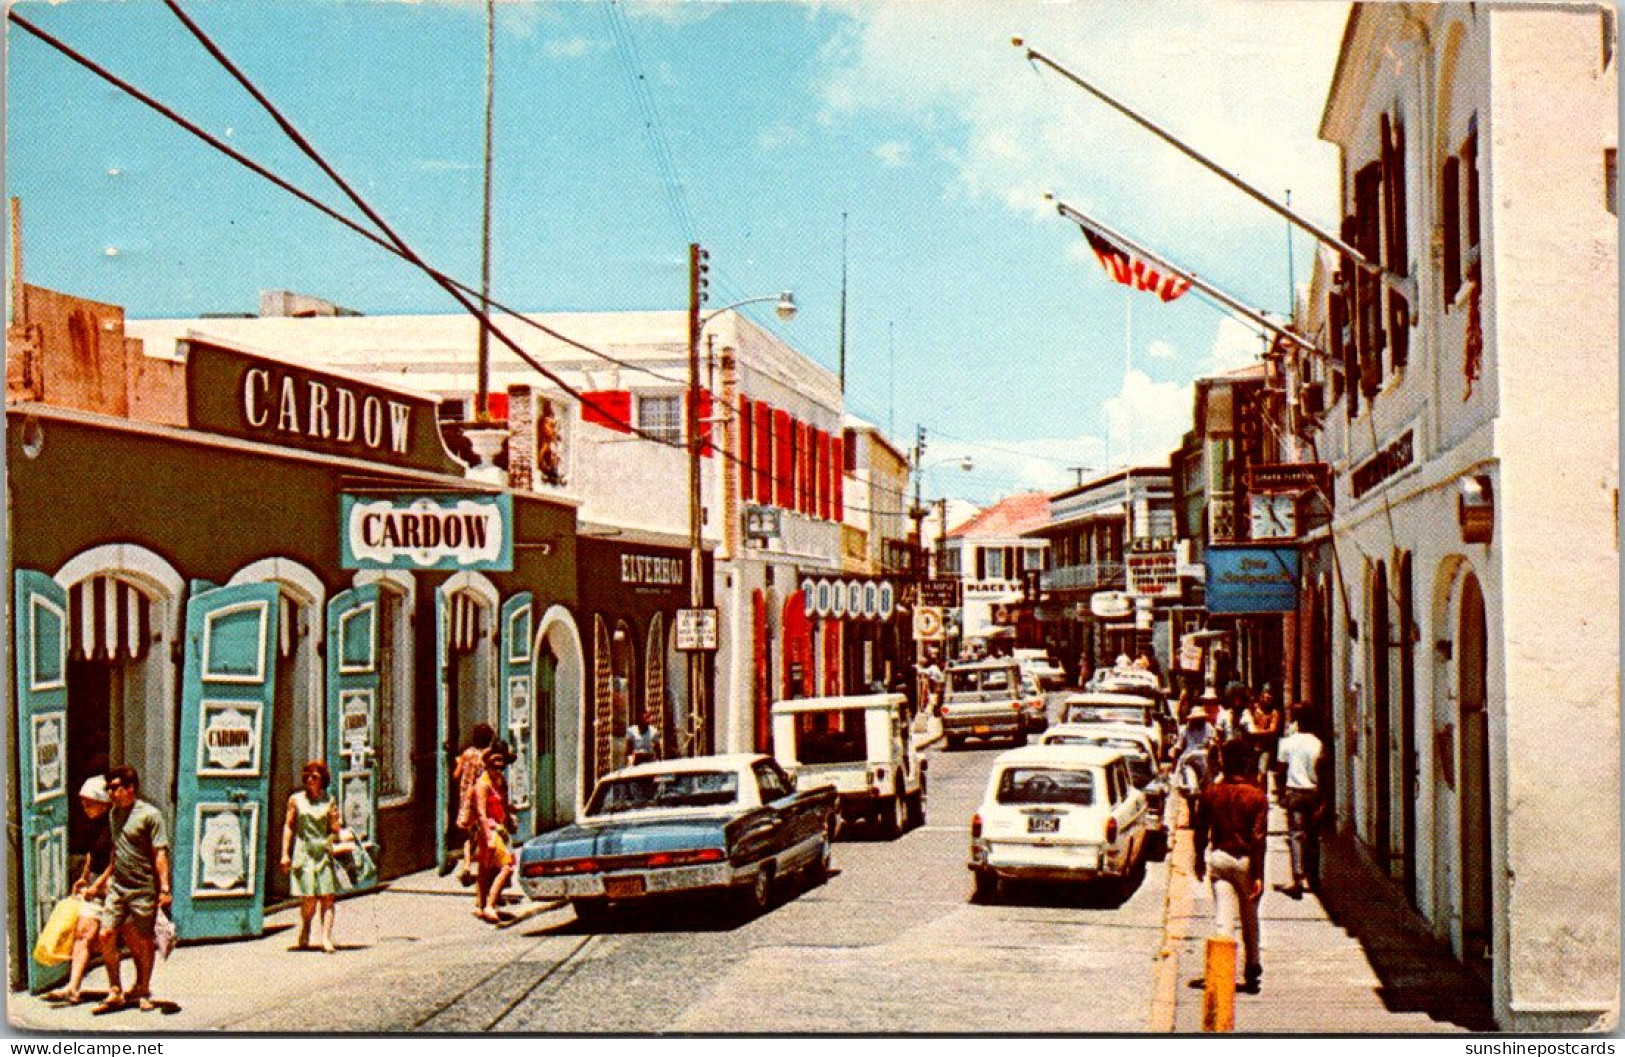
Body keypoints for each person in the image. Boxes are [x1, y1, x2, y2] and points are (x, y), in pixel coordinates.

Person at [1193, 740, 1269, 994]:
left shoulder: (1211, 792)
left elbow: (1200, 829)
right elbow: (1258, 838)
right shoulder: (1256, 796)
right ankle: (1252, 965)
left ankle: (1221, 972)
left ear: (1223, 762)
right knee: (1250, 917)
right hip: (1245, 860)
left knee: (1223, 918)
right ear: (1247, 763)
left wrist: (1197, 858)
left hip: (1219, 857)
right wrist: (1258, 874)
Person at [92, 767, 170, 1014]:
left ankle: (143, 988)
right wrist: (104, 879)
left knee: (142, 942)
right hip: (118, 887)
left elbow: (160, 853)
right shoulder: (115, 814)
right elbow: (117, 849)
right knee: (106, 935)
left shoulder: (150, 815)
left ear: (130, 788)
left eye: (115, 787)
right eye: (109, 789)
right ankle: (115, 989)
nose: (111, 793)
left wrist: (165, 888)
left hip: (142, 888)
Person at [44, 776, 114, 1005]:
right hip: (95, 884)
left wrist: (97, 884)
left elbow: (116, 861)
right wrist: (84, 878)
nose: (85, 808)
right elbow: (92, 854)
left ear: (103, 803)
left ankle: (123, 989)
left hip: (114, 886)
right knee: (84, 933)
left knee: (109, 940)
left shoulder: (115, 823)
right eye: (83, 803)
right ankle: (73, 987)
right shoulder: (93, 824)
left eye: (89, 803)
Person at [280, 760, 341, 953]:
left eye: (315, 776)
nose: (310, 779)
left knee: (327, 897)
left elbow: (334, 830)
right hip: (304, 851)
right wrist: (285, 854)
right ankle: (306, 925)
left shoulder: (329, 801)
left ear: (322, 779)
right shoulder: (296, 800)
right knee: (308, 898)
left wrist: (336, 823)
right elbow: (289, 826)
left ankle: (325, 937)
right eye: (307, 775)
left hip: (323, 851)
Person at [1275, 703, 1326, 897]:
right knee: (1313, 836)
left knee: (1296, 835)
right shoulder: (1317, 743)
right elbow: (1323, 771)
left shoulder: (1288, 742)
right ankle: (1313, 878)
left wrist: (1280, 792)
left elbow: (1280, 769)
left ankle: (1297, 878)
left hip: (1294, 792)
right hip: (1313, 792)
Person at [471, 740, 516, 923]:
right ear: (488, 766)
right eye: (495, 767)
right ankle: (490, 905)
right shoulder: (482, 785)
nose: (498, 771)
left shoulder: (500, 782)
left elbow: (504, 805)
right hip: (489, 830)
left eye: (501, 768)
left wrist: (510, 818)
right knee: (507, 867)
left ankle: (482, 905)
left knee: (486, 869)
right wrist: (489, 836)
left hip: (500, 828)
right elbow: (481, 813)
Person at [449, 723, 496, 883]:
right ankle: (484, 867)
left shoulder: (467, 754)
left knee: (469, 835)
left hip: (466, 798)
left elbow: (456, 775)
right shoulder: (487, 755)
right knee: (482, 833)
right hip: (481, 798)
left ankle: (467, 866)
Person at [1248, 690, 1282, 794]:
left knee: (1262, 772)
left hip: (1265, 747)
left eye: (1270, 699)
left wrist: (1255, 732)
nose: (1267, 701)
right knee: (1252, 773)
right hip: (1252, 746)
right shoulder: (1254, 709)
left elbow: (1272, 730)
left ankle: (1262, 794)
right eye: (1266, 698)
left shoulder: (1274, 713)